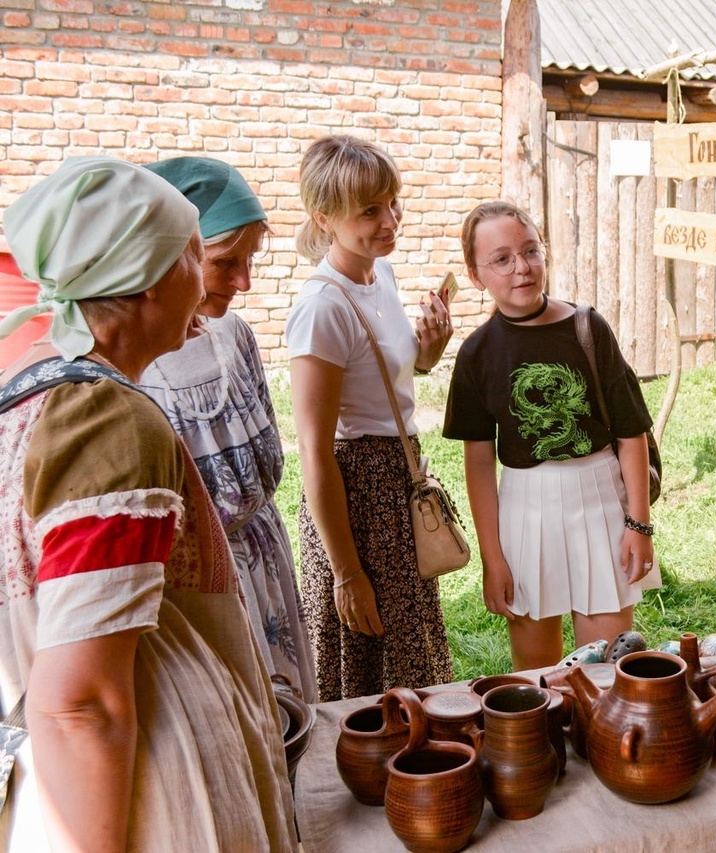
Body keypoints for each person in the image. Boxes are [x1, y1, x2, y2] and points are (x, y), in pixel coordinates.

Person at [0, 157, 296, 850]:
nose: (210, 280)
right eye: (196, 254)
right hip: (150, 794)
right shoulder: (102, 419)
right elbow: (83, 703)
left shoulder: (33, 394)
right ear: (149, 280)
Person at [443, 200, 661, 671]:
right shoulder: (476, 355)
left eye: (530, 251)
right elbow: (479, 463)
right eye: (501, 259)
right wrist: (492, 557)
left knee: (607, 669)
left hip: (601, 498)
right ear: (476, 275)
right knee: (538, 677)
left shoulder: (587, 328)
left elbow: (630, 433)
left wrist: (639, 526)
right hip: (524, 509)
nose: (521, 268)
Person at [137, 157, 318, 703]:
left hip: (262, 553)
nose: (244, 281)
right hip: (198, 579)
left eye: (250, 261)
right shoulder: (137, 361)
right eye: (224, 263)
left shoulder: (234, 334)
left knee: (285, 714)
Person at [285, 135, 455, 701]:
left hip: (397, 480)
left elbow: (398, 381)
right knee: (367, 656)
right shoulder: (321, 307)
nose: (391, 220)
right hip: (356, 496)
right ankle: (373, 777)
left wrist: (430, 347)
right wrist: (345, 572)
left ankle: (425, 767)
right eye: (370, 210)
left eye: (393, 202)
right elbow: (315, 451)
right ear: (324, 218)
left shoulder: (379, 274)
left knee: (411, 652)